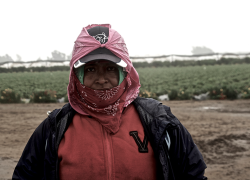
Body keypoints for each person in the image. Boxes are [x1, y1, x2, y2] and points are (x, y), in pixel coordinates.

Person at [12, 24, 207, 180]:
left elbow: (192, 174)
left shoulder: (158, 121)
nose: (101, 79)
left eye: (111, 69)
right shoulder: (54, 128)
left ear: (125, 72)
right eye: (89, 69)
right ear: (75, 76)